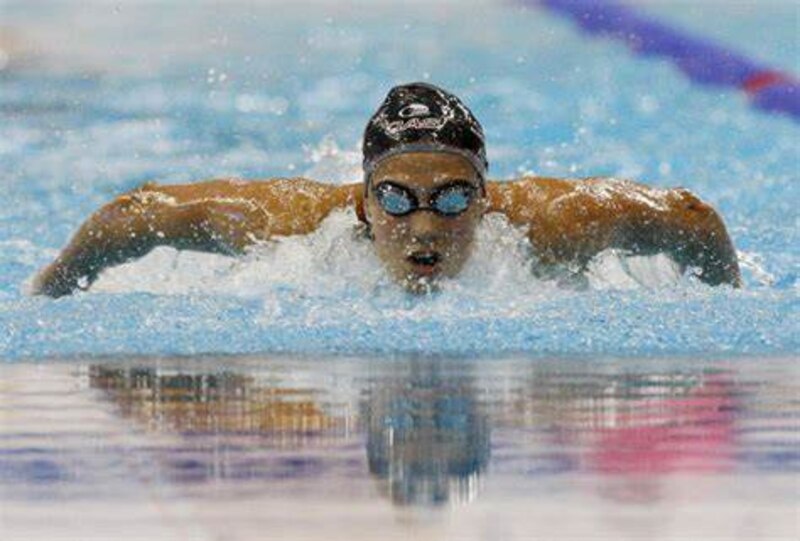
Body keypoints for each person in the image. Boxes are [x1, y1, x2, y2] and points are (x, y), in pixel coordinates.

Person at [32, 82, 741, 297]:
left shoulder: (554, 224)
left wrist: (728, 301)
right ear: (364, 201)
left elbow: (692, 217)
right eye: (398, 199)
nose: (425, 226)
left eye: (456, 198)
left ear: (487, 197)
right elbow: (136, 214)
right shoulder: (294, 226)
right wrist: (51, 288)